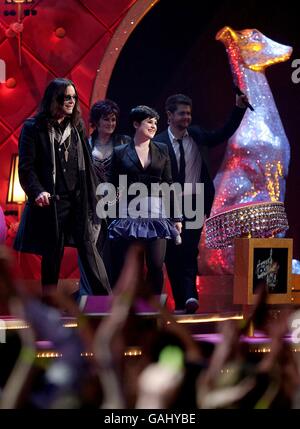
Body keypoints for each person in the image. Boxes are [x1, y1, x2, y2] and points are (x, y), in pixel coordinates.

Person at [14, 78, 111, 298]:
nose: (71, 101)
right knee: (52, 254)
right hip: (52, 201)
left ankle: (104, 300)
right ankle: (49, 303)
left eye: (73, 98)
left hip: (78, 200)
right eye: (66, 97)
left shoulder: (75, 126)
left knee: (89, 247)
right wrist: (37, 191)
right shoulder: (34, 127)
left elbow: (86, 163)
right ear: (53, 98)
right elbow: (26, 167)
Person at [155, 93, 248, 313]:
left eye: (189, 113)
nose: (187, 117)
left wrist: (238, 108)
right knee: (172, 255)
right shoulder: (158, 142)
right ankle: (181, 301)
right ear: (169, 115)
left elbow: (222, 133)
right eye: (182, 113)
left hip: (195, 205)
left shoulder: (196, 135)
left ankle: (189, 297)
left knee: (188, 251)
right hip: (168, 207)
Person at [107, 105, 182, 292]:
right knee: (133, 268)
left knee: (156, 265)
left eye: (156, 122)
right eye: (149, 122)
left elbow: (169, 184)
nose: (154, 126)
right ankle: (133, 313)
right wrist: (110, 213)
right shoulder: (120, 152)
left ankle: (154, 311)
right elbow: (113, 186)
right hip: (129, 216)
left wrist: (177, 217)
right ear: (136, 124)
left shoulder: (162, 149)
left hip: (156, 215)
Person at [79, 99, 131, 292]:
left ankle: (118, 294)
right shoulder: (86, 143)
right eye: (106, 119)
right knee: (95, 250)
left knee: (117, 250)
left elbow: (129, 173)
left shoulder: (124, 142)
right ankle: (97, 294)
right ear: (96, 121)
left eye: (113, 119)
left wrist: (116, 198)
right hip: (92, 205)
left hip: (119, 202)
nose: (110, 123)